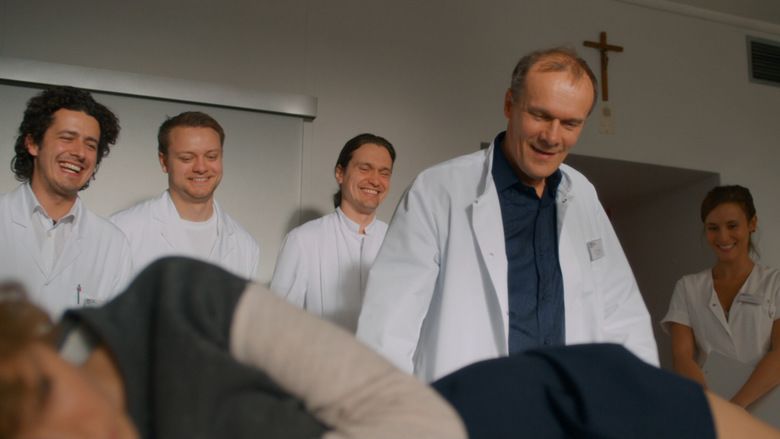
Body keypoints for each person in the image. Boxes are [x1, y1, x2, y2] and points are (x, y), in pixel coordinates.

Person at [1, 258, 777, 439]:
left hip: (465, 420)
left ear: (40, 337)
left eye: (42, 391)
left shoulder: (175, 300)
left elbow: (409, 411)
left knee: (611, 390)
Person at [357, 47, 658, 382]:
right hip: (471, 411)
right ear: (509, 104)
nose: (552, 137)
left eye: (570, 123)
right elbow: (388, 330)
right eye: (541, 115)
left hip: (566, 413)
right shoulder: (437, 190)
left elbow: (621, 314)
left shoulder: (583, 194)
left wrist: (639, 406)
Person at [0, 86, 133, 319]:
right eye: (67, 138)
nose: (80, 153)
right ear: (32, 143)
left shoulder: (112, 244)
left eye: (91, 145)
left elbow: (116, 337)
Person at [662, 185, 780, 409]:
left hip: (769, 405)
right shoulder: (688, 287)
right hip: (711, 406)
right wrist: (714, 407)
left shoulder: (775, 283)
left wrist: (737, 405)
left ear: (752, 224)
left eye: (732, 226)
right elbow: (682, 356)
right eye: (713, 228)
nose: (723, 236)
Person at [110, 111, 259, 279]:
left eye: (211, 156)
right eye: (187, 158)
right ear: (164, 162)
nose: (201, 168)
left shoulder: (244, 245)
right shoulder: (122, 230)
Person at [270, 133, 395, 331]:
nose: (375, 180)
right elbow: (279, 324)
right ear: (340, 173)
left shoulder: (398, 242)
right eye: (365, 169)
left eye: (384, 173)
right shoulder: (303, 240)